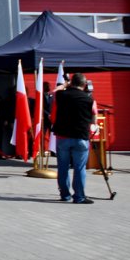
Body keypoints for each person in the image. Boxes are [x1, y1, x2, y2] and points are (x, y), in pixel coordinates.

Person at [53, 72, 98, 204]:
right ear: (84, 85)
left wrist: (65, 84)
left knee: (62, 167)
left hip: (63, 136)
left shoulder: (62, 95)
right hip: (81, 136)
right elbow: (93, 117)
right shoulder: (89, 99)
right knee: (79, 168)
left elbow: (54, 91)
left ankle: (65, 195)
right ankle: (79, 196)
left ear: (72, 83)